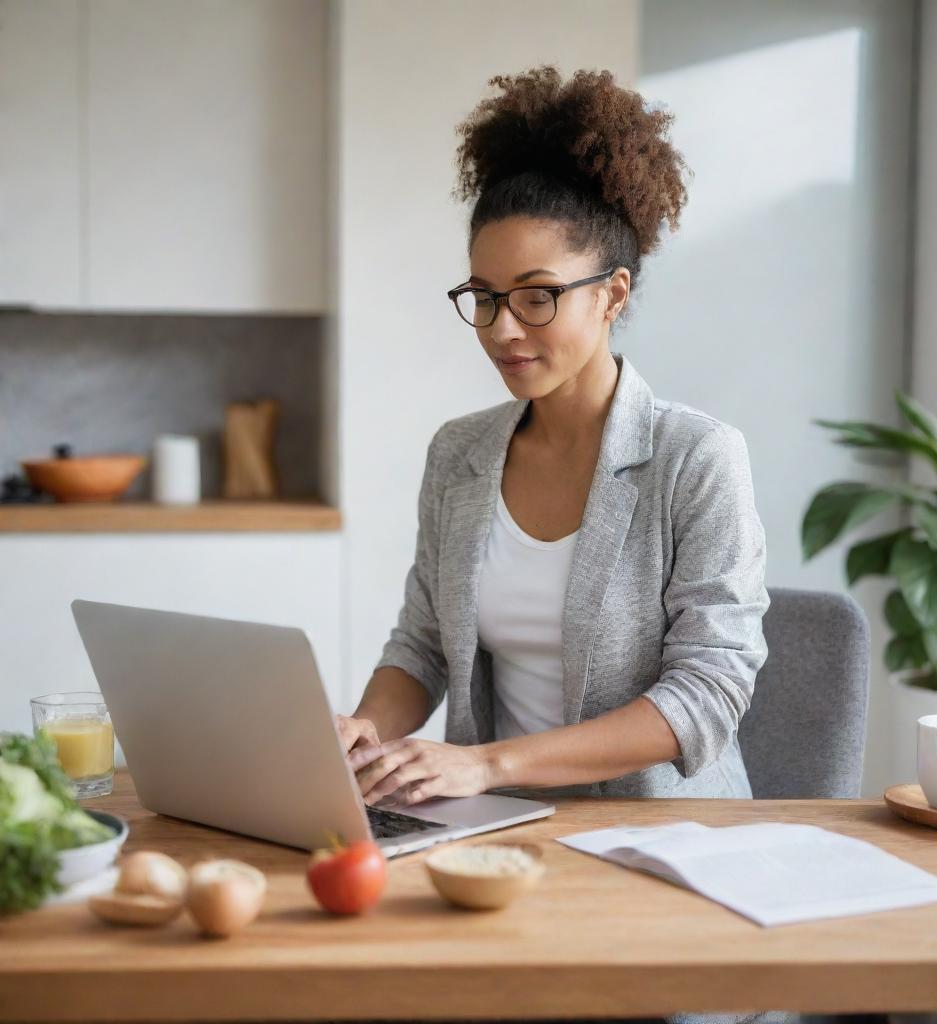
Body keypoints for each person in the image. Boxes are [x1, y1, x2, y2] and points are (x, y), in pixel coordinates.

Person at [332, 61, 775, 1024]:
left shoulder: (697, 457)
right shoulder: (459, 454)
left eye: (537, 295)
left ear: (612, 294)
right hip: (489, 844)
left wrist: (486, 765)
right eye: (483, 297)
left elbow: (707, 696)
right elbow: (419, 643)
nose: (502, 328)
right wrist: (371, 727)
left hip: (661, 849)